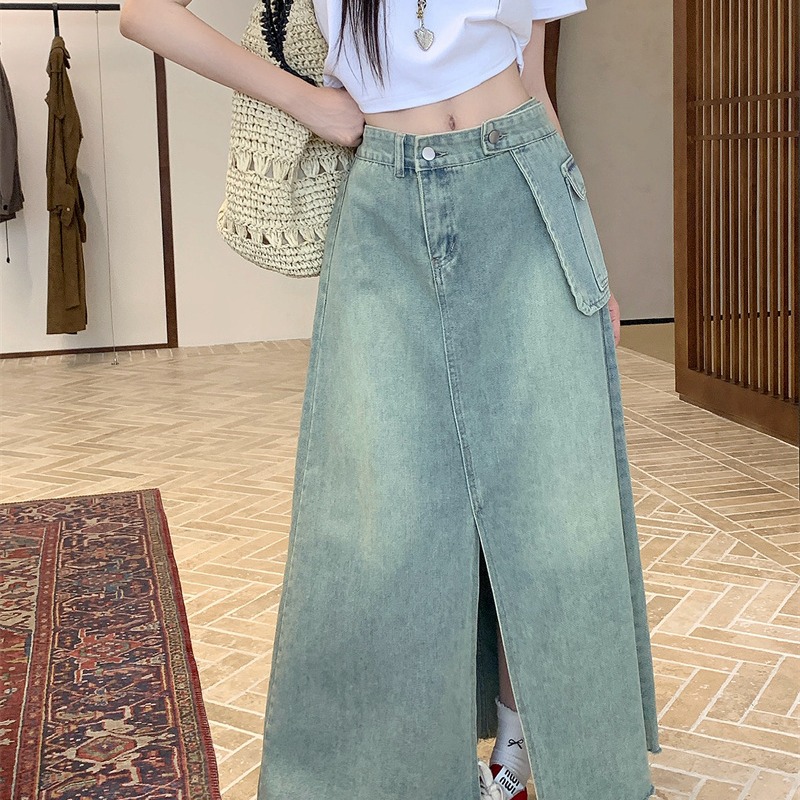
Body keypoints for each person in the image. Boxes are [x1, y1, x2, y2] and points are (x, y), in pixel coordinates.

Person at [120, 2, 661, 799]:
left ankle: (521, 755)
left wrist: (591, 259)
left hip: (526, 188)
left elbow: (536, 82)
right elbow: (143, 14)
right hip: (387, 201)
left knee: (555, 512)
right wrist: (306, 102)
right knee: (383, 524)